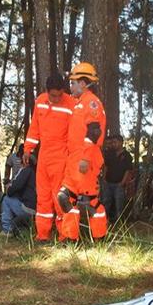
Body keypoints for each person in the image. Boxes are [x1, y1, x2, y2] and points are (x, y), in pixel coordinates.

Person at [57, 62, 107, 241]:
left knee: (89, 202)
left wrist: (85, 158)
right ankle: (71, 238)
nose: (70, 86)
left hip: (87, 158)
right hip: (74, 159)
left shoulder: (91, 102)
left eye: (73, 82)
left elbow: (94, 132)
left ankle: (100, 238)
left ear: (83, 84)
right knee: (64, 198)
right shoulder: (78, 104)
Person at [23, 73, 75, 241]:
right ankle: (42, 234)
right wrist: (28, 149)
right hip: (44, 156)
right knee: (43, 197)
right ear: (47, 91)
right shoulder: (40, 101)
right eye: (53, 95)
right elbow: (34, 129)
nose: (56, 98)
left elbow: (76, 133)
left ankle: (65, 235)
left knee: (60, 197)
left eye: (59, 95)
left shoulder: (71, 103)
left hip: (62, 157)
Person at [0, 156, 37, 236]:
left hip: (28, 208)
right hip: (37, 209)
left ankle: (7, 230)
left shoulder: (26, 170)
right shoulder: (36, 171)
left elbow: (15, 187)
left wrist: (9, 188)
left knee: (6, 199)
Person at [102, 134, 133, 222]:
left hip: (119, 184)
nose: (113, 144)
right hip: (108, 182)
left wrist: (122, 183)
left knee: (119, 204)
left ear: (121, 143)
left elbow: (128, 170)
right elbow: (106, 166)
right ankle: (104, 220)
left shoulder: (127, 155)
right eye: (112, 143)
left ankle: (119, 222)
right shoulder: (110, 153)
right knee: (105, 202)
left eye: (115, 142)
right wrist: (104, 178)